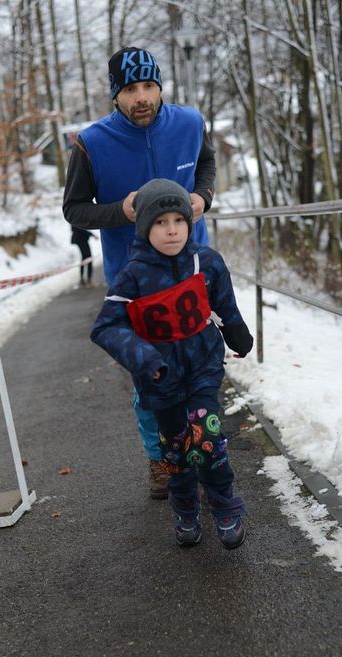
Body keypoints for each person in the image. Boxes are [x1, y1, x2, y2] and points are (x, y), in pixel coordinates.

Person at [62, 46, 216, 501]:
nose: (142, 97)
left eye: (149, 86)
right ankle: (161, 459)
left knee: (200, 368)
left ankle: (201, 451)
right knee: (151, 373)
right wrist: (120, 211)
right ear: (115, 94)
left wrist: (203, 196)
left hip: (191, 270)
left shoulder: (190, 123)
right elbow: (74, 209)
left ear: (160, 86)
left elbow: (206, 164)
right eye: (130, 89)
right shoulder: (92, 143)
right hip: (135, 282)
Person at [90, 179, 253, 549]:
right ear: (145, 227)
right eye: (161, 222)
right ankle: (185, 507)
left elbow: (224, 302)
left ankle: (224, 503)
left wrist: (237, 334)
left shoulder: (207, 262)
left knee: (206, 436)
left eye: (179, 220)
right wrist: (145, 358)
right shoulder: (133, 276)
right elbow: (105, 327)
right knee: (177, 449)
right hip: (159, 378)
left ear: (189, 222)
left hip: (202, 366)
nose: (172, 230)